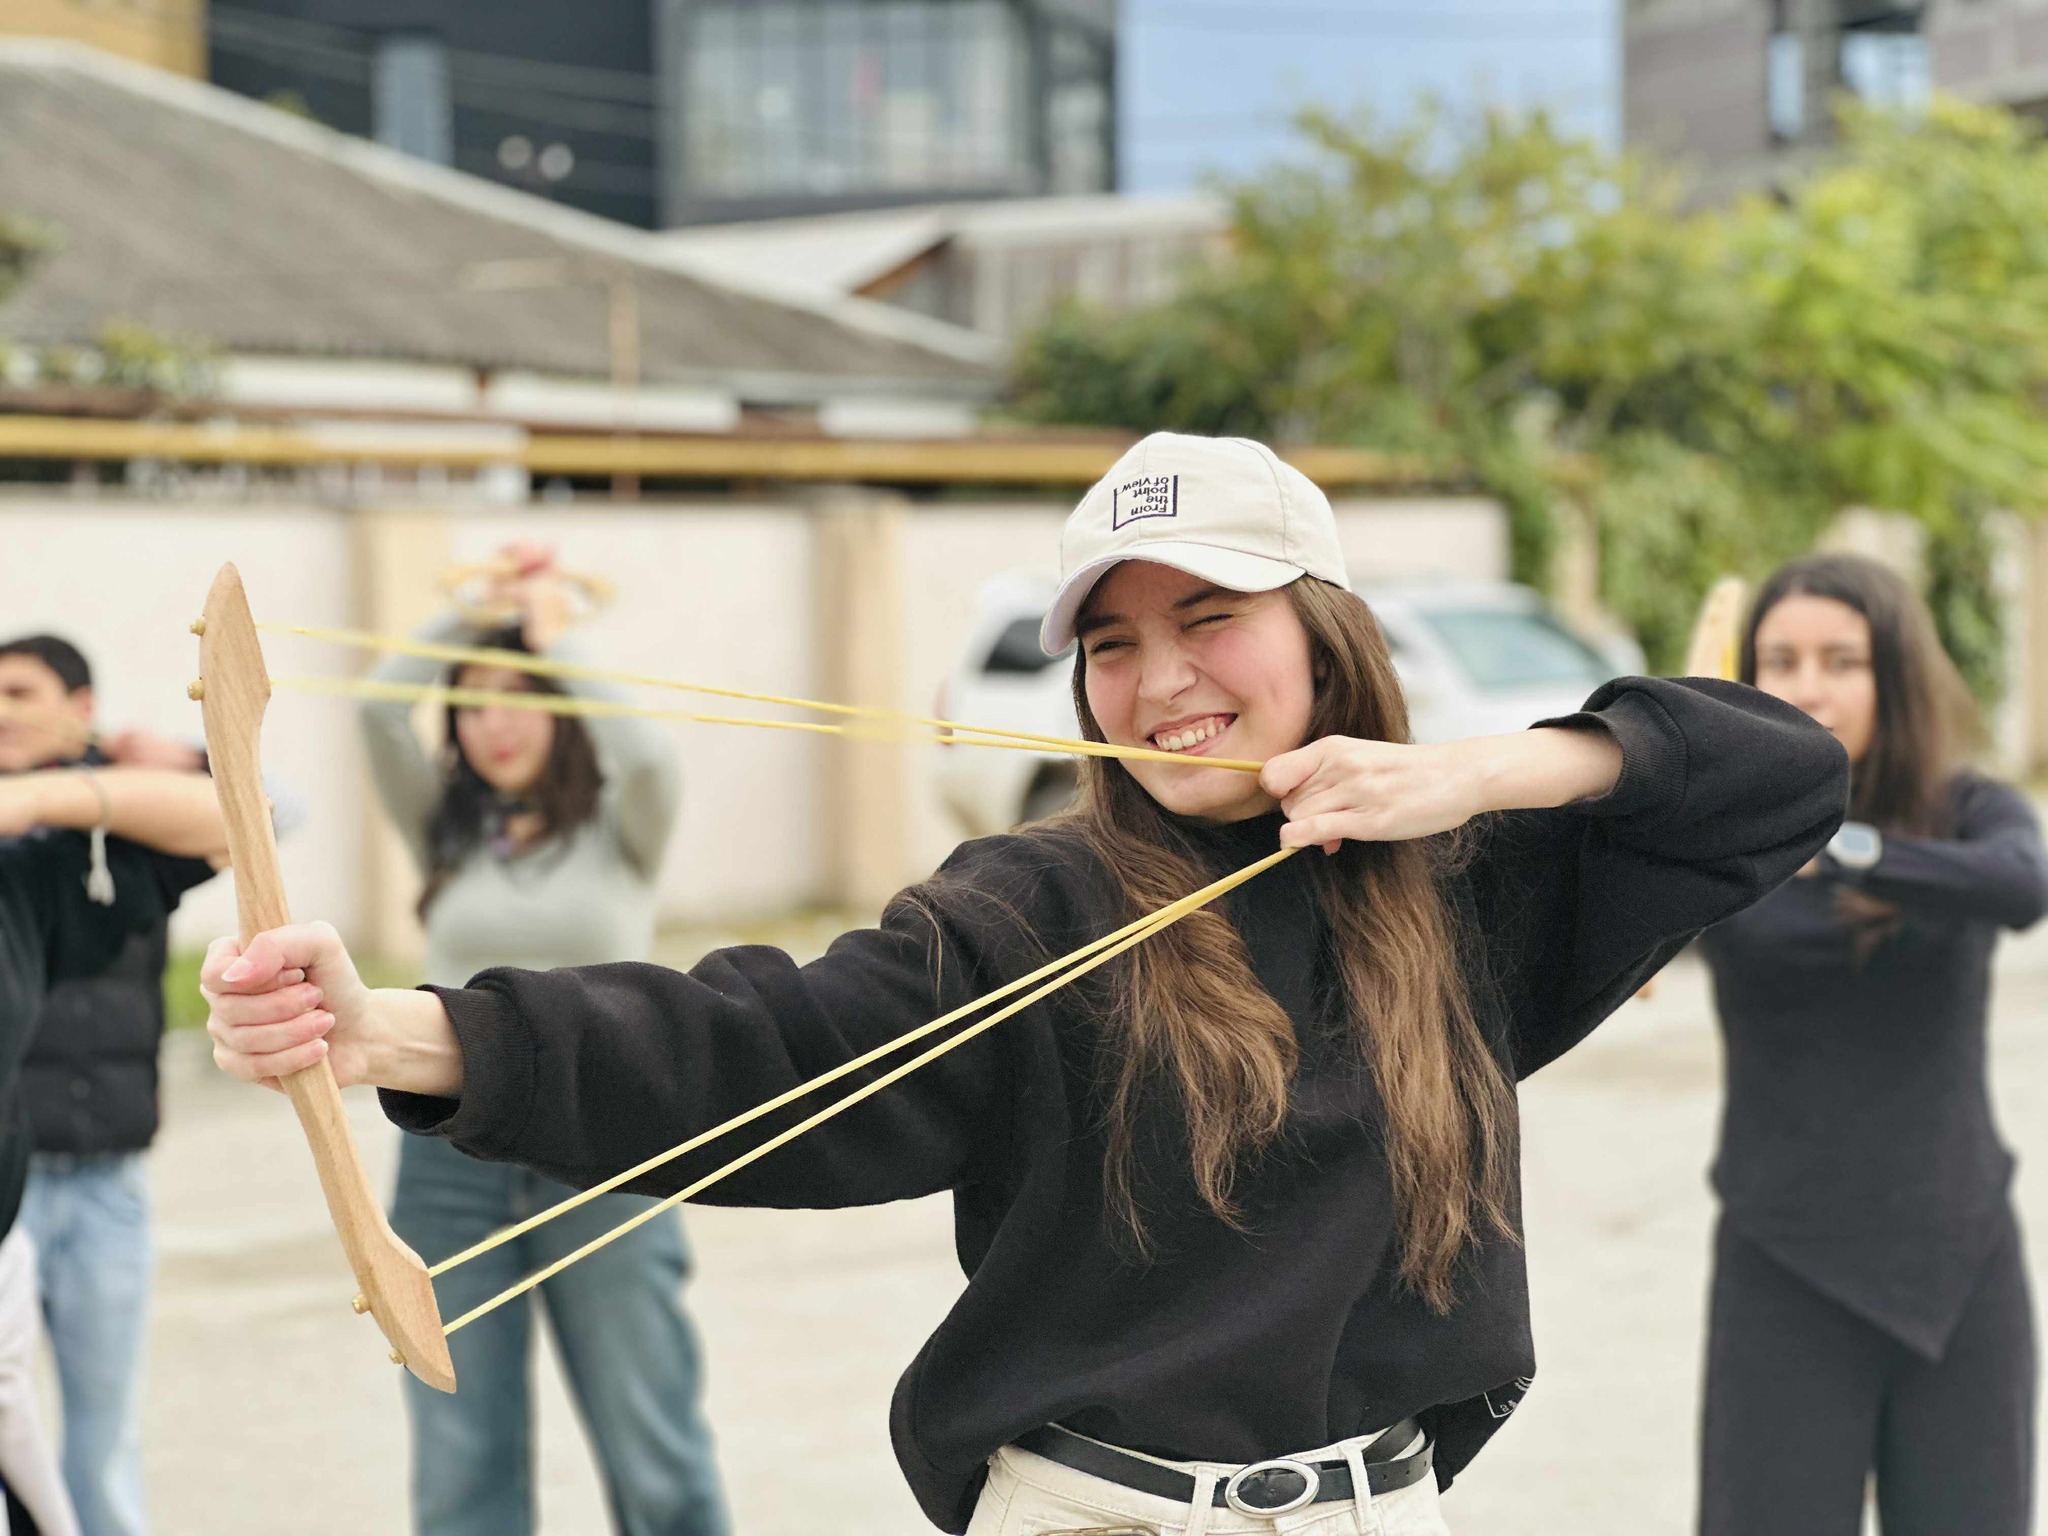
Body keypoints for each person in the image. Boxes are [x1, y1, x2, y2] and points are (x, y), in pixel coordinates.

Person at [204, 434, 1847, 1536]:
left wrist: (1487, 773)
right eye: (1113, 643)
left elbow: (1775, 774)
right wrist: (394, 1032)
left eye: (1207, 617)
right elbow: (767, 1040)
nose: (1158, 679)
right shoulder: (1032, 899)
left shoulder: (1465, 889)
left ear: (1323, 628)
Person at [353, 548, 729, 1536]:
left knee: (657, 1456)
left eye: (522, 699)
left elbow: (647, 752)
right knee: (458, 1459)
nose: (496, 722)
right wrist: (472, 615)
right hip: (447, 1164)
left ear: (562, 710)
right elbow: (374, 711)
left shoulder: (619, 824)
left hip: (606, 1149)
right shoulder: (446, 829)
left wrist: (557, 640)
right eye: (472, 703)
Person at [1695, 553, 2043, 1536]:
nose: (1808, 684)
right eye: (1781, 659)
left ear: (1892, 673)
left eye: (1840, 659)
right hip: (1781, 1261)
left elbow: (2022, 886)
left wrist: (1836, 841)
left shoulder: (1967, 811)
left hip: (1957, 1257)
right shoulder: (1717, 843)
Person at [0, 634, 234, 1536]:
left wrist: (43, 796)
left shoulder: (55, 848)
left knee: (92, 1457)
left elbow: (251, 814)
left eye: (23, 691)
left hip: (93, 1180)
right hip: (26, 1187)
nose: (4, 710)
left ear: (80, 705)